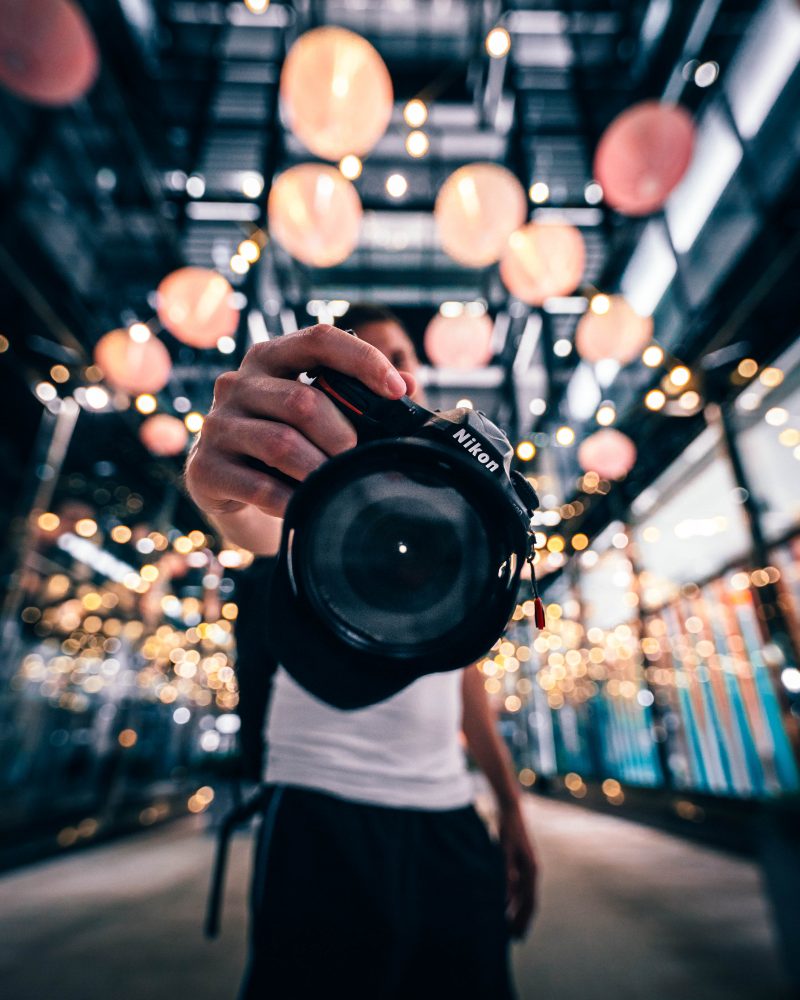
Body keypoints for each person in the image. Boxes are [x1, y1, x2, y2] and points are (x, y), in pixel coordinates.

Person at [185, 305, 538, 998]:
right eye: (365, 359)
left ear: (418, 371)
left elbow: (459, 677)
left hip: (447, 809)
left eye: (398, 354)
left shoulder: (455, 498)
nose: (392, 369)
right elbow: (255, 523)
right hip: (321, 807)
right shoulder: (313, 483)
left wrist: (510, 806)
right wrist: (218, 484)